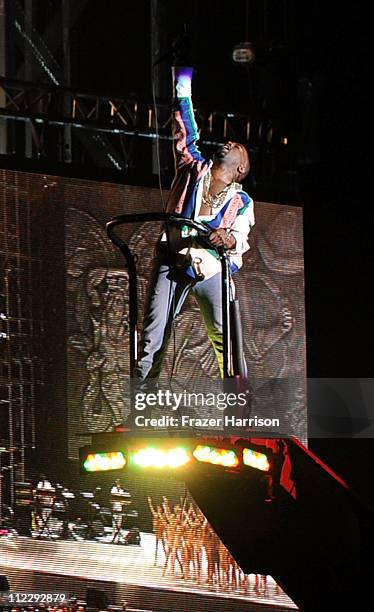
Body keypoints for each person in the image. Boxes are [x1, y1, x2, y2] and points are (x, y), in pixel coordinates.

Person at [133, 66, 255, 392]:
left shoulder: (241, 201)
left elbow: (239, 237)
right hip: (174, 260)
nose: (229, 142)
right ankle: (140, 407)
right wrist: (183, 86)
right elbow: (186, 129)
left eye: (236, 146)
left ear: (241, 168)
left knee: (227, 342)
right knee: (152, 334)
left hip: (212, 269)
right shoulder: (194, 168)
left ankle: (239, 411)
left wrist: (226, 237)